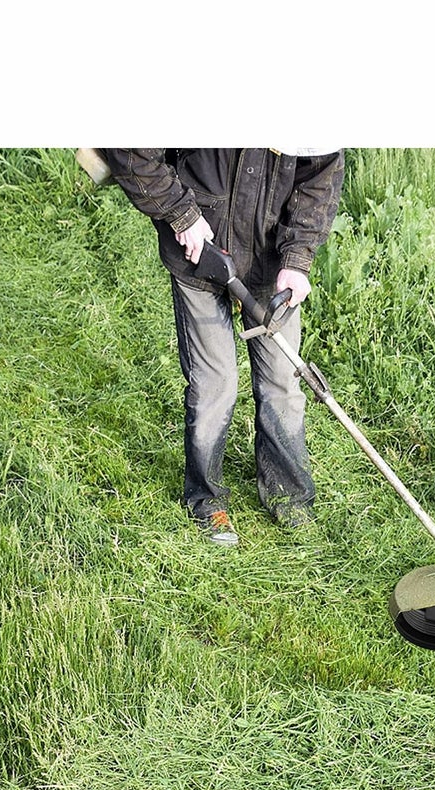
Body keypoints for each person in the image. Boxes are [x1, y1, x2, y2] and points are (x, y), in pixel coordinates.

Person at [100, 148, 345, 546]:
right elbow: (129, 150)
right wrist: (181, 214)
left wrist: (297, 258)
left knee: (282, 383)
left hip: (271, 264)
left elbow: (319, 178)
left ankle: (288, 494)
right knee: (215, 384)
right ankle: (206, 498)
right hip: (198, 252)